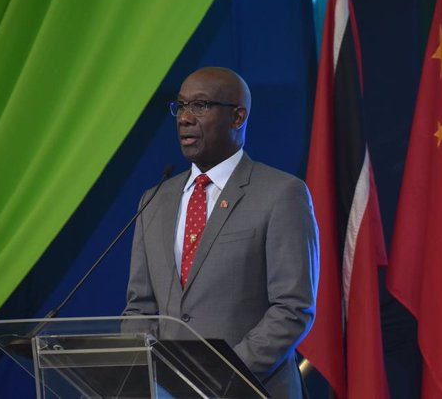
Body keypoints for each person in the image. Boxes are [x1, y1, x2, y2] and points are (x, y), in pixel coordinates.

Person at [123, 66, 319, 398]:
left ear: (237, 116)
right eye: (180, 106)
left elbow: (292, 308)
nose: (184, 118)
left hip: (248, 389)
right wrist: (146, 377)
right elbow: (139, 307)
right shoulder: (154, 200)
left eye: (199, 106)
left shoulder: (281, 193)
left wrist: (219, 377)